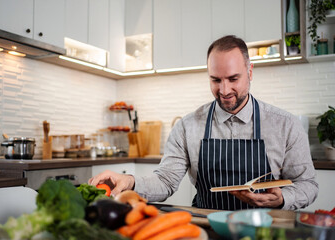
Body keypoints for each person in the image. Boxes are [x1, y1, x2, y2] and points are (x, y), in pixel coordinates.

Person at [89, 35, 318, 210]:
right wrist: (131, 181)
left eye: (233, 79)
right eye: (215, 80)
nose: (224, 90)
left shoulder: (285, 125)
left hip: (265, 230)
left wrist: (282, 199)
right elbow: (165, 181)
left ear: (250, 71)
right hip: (206, 229)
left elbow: (307, 184)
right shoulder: (188, 126)